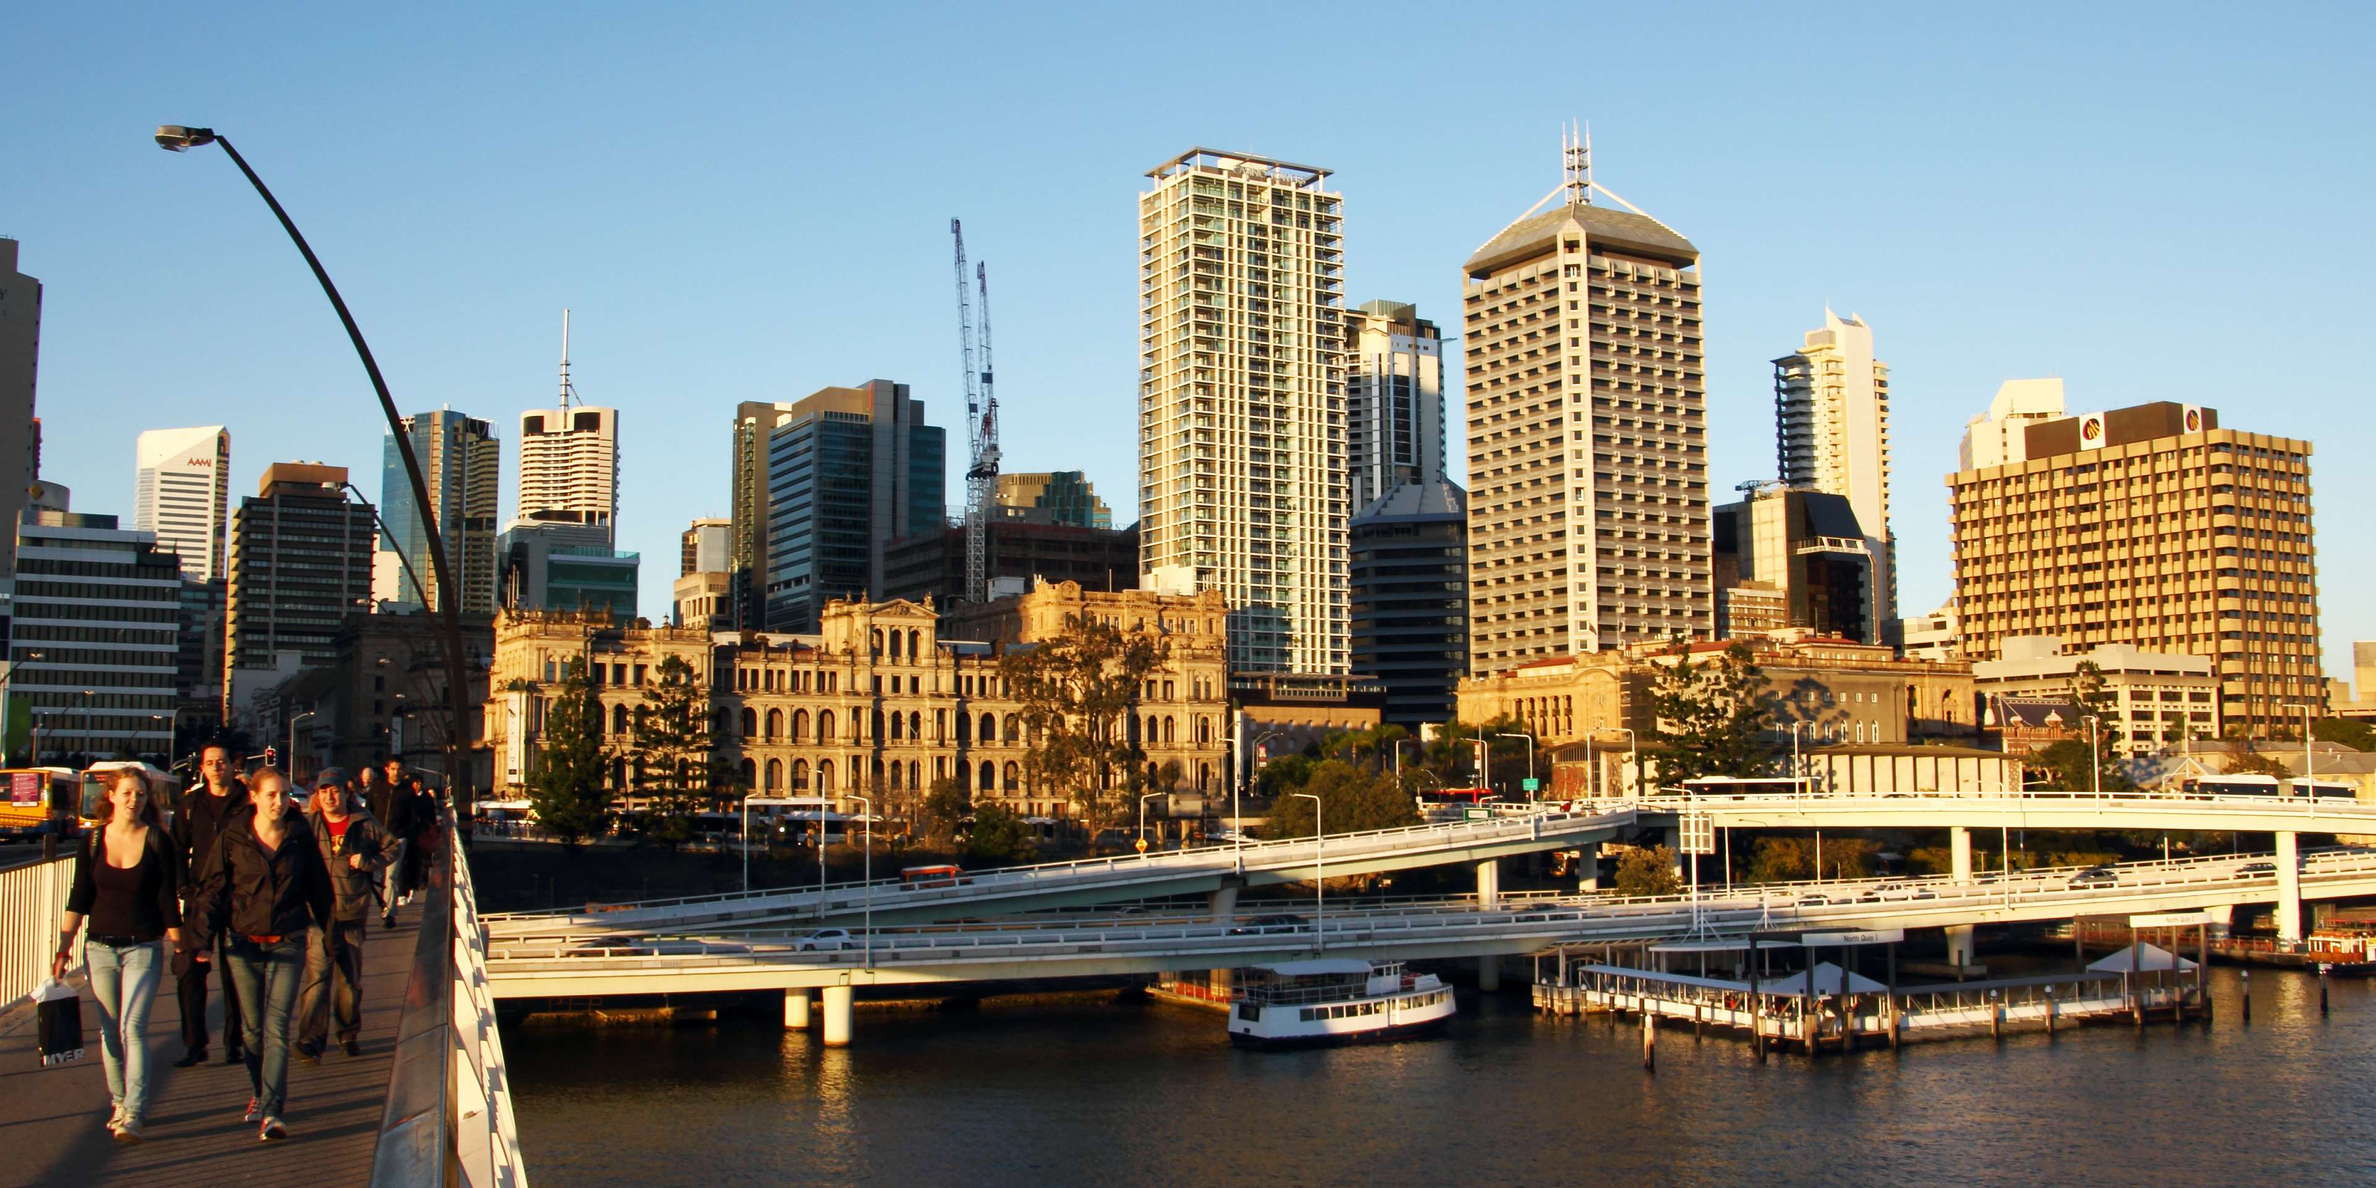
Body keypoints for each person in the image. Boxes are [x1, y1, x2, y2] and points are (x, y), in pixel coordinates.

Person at [194, 768, 331, 1142]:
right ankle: (259, 1091)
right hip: (242, 943)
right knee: (252, 1032)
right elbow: (212, 891)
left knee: (276, 1027)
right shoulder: (234, 838)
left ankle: (272, 1112)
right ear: (253, 797)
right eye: (271, 795)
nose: (279, 802)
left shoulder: (300, 837)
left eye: (285, 794)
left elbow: (319, 888)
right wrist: (201, 939)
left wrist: (330, 935)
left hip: (288, 939)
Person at [53, 769, 185, 1143]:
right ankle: (120, 1102)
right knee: (110, 1031)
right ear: (111, 796)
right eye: (127, 793)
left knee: (133, 1028)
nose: (134, 800)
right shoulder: (94, 840)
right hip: (99, 949)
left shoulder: (158, 841)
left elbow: (166, 900)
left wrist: (180, 945)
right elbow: (79, 897)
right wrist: (63, 948)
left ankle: (135, 1112)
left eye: (141, 794)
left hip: (143, 946)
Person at [295, 769, 387, 1061]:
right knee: (317, 980)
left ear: (346, 793)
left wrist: (369, 862)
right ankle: (310, 1040)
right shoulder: (310, 825)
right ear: (318, 797)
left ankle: (348, 1033)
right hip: (318, 915)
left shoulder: (363, 823)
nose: (329, 797)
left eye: (334, 791)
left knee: (348, 981)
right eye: (323, 792)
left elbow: (394, 847)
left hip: (351, 911)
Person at [169, 744, 250, 1068]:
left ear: (233, 765)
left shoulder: (247, 801)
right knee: (190, 972)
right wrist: (182, 887)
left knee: (236, 974)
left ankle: (235, 1043)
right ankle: (194, 1044)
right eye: (210, 763)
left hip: (238, 897)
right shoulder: (191, 803)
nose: (217, 767)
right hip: (200, 897)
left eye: (222, 761)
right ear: (202, 768)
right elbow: (177, 847)